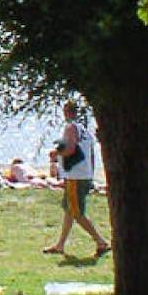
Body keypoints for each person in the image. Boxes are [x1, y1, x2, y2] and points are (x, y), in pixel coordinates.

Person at [46, 99, 108, 258]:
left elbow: (71, 149)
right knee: (69, 209)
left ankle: (100, 241)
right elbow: (90, 155)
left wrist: (55, 154)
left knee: (76, 212)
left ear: (66, 112)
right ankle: (60, 245)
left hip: (75, 175)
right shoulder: (85, 131)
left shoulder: (70, 128)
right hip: (83, 174)